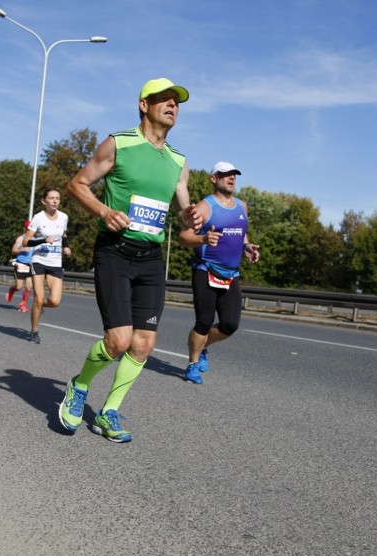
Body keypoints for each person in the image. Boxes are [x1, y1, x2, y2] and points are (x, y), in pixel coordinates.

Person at [62, 77, 201, 443]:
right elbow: (77, 185)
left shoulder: (178, 161)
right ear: (144, 104)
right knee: (119, 340)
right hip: (115, 251)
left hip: (151, 258)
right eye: (164, 100)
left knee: (144, 344)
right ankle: (79, 386)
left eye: (177, 102)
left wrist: (192, 218)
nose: (172, 106)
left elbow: (184, 212)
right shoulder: (118, 144)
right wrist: (103, 211)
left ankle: (108, 411)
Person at [179, 162, 260, 384]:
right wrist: (203, 239)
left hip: (231, 274)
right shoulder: (205, 207)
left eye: (234, 174)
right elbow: (184, 237)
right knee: (203, 322)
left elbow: (241, 233)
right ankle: (192, 364)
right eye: (225, 174)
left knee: (229, 325)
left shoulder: (242, 206)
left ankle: (203, 345)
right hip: (205, 269)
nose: (231, 178)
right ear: (214, 178)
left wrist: (247, 247)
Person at [22, 188, 71, 344]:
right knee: (39, 297)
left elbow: (63, 234)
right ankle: (34, 331)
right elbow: (25, 242)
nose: (55, 200)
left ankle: (39, 307)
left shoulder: (64, 217)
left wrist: (66, 246)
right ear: (44, 201)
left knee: (55, 301)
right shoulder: (38, 218)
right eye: (51, 198)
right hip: (39, 261)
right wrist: (43, 240)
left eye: (57, 198)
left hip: (55, 262)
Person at [6, 221, 35, 313]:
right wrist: (22, 249)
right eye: (28, 229)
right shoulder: (20, 239)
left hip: (30, 265)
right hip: (20, 264)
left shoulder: (35, 239)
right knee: (18, 287)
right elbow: (13, 250)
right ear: (24, 229)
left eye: (31, 229)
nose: (29, 230)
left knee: (29, 286)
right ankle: (11, 290)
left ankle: (22, 304)